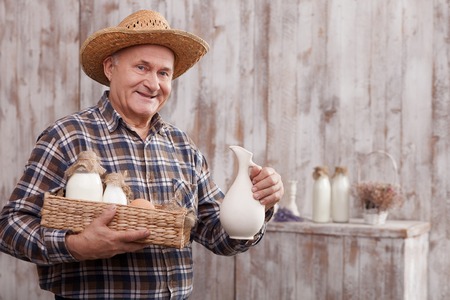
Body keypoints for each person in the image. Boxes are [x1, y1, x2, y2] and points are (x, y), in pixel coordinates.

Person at [0, 9, 284, 299]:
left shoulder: (182, 146)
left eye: (163, 73)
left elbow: (219, 237)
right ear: (110, 68)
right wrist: (76, 245)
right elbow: (9, 227)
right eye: (141, 68)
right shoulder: (67, 136)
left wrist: (258, 202)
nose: (153, 83)